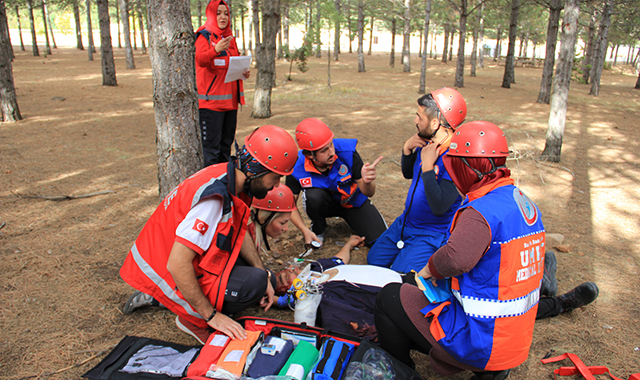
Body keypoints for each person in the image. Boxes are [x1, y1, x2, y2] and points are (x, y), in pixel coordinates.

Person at [374, 122, 599, 380]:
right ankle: (495, 368)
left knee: (389, 297)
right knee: (409, 285)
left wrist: (429, 269)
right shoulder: (522, 201)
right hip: (513, 337)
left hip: (482, 341)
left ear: (465, 167)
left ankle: (401, 372)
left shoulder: (482, 212)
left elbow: (455, 258)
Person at [120, 125, 298, 344]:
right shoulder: (215, 200)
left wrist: (266, 276)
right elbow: (177, 264)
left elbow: (238, 233)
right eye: (275, 178)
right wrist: (211, 316)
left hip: (176, 258)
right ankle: (192, 320)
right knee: (253, 283)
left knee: (260, 275)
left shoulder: (230, 177)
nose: (276, 186)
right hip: (164, 269)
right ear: (255, 170)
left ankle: (173, 300)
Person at [367, 88, 466, 273]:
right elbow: (408, 173)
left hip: (430, 233)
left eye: (419, 117)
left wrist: (428, 167)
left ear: (435, 122)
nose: (415, 121)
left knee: (399, 275)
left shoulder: (454, 158)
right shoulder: (428, 142)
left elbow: (439, 206)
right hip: (405, 223)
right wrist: (407, 150)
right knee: (373, 260)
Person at [286, 118, 387, 246]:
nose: (332, 152)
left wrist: (367, 182)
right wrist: (303, 230)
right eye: (324, 150)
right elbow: (289, 204)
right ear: (309, 155)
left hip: (352, 202)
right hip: (324, 205)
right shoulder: (296, 167)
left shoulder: (348, 152)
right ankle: (319, 228)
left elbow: (369, 192)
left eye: (331, 144)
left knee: (379, 241)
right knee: (314, 196)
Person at [195, 0, 250, 166]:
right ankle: (209, 190)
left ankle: (223, 186)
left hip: (230, 104)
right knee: (211, 151)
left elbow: (230, 63)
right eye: (218, 13)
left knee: (226, 149)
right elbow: (200, 60)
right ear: (210, 14)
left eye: (226, 13)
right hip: (211, 104)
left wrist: (242, 71)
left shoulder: (229, 37)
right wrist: (215, 50)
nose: (223, 17)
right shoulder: (204, 35)